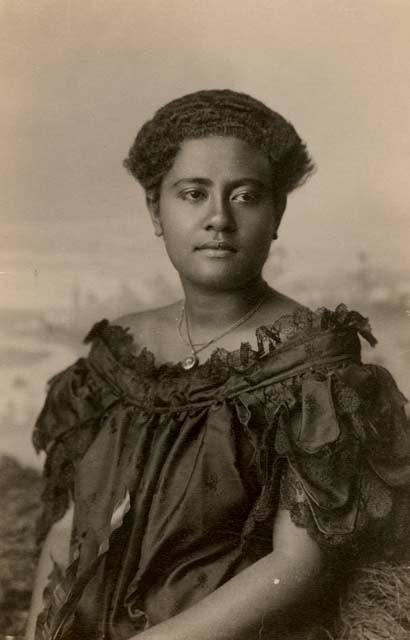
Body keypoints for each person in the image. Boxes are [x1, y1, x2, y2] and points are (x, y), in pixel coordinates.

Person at [26, 90, 410, 640]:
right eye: (192, 193)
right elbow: (69, 530)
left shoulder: (314, 364)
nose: (218, 219)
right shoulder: (118, 352)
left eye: (246, 195)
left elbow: (296, 566)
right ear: (155, 210)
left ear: (277, 214)